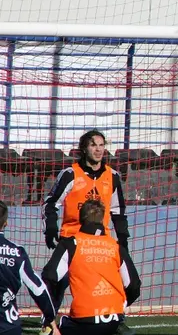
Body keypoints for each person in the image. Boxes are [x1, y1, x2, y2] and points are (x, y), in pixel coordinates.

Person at [41, 130, 130, 313]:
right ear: (84, 148)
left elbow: (118, 212)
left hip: (100, 242)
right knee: (54, 279)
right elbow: (50, 203)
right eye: (93, 145)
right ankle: (49, 320)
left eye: (101, 145)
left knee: (116, 281)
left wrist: (123, 239)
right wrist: (50, 228)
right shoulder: (70, 174)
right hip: (71, 240)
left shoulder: (112, 176)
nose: (98, 150)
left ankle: (116, 318)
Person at [42, 200, 141, 335]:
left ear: (81, 218)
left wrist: (49, 316)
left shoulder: (71, 244)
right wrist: (121, 306)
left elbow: (48, 278)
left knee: (49, 331)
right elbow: (134, 285)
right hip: (114, 320)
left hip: (83, 320)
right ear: (103, 219)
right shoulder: (116, 246)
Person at [0, 201, 60, 335]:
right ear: (6, 224)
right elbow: (37, 288)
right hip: (8, 325)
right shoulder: (17, 252)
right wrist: (50, 317)